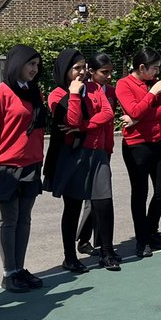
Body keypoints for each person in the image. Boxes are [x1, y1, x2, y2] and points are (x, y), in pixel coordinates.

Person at [0, 44, 49, 294]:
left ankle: (19, 269)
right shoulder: (0, 93)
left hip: (30, 164)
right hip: (6, 166)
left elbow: (38, 130)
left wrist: (38, 158)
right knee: (8, 220)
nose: (35, 69)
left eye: (37, 65)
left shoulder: (33, 91)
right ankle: (9, 273)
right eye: (31, 64)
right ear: (17, 63)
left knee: (24, 219)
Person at [45, 48, 118, 274]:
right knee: (73, 207)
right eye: (76, 68)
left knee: (104, 203)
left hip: (97, 154)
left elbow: (107, 114)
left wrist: (85, 126)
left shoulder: (96, 88)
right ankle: (70, 256)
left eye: (83, 67)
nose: (81, 72)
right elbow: (71, 119)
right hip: (73, 156)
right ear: (65, 70)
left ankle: (106, 252)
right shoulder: (57, 95)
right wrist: (75, 94)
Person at [116, 48, 161, 258]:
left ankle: (150, 229)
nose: (157, 72)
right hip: (136, 145)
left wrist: (139, 119)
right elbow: (134, 110)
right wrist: (151, 95)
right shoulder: (124, 85)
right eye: (154, 68)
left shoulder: (155, 83)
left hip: (157, 142)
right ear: (142, 68)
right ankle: (142, 239)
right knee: (140, 193)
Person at [76, 52, 122, 259]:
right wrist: (89, 125)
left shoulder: (110, 91)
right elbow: (91, 119)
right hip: (88, 149)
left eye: (111, 72)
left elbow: (110, 118)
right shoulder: (84, 90)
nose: (109, 76)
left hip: (105, 147)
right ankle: (85, 239)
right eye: (105, 72)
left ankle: (95, 240)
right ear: (91, 72)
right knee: (92, 199)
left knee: (100, 198)